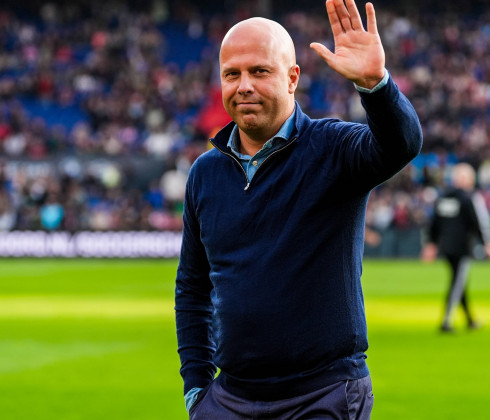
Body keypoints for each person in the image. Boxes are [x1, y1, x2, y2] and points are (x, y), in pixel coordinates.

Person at [174, 0, 422, 418]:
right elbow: (193, 288)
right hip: (229, 399)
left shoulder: (333, 148)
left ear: (292, 79)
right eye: (232, 74)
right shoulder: (205, 173)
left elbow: (401, 144)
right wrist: (198, 390)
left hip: (321, 396)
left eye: (259, 71)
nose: (244, 85)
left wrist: (375, 85)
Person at [421, 163, 490, 332]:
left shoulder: (443, 197)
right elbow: (477, 222)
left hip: (446, 248)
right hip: (462, 248)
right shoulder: (468, 198)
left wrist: (431, 244)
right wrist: (488, 244)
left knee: (459, 282)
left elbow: (435, 223)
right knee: (457, 282)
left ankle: (470, 320)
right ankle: (446, 321)